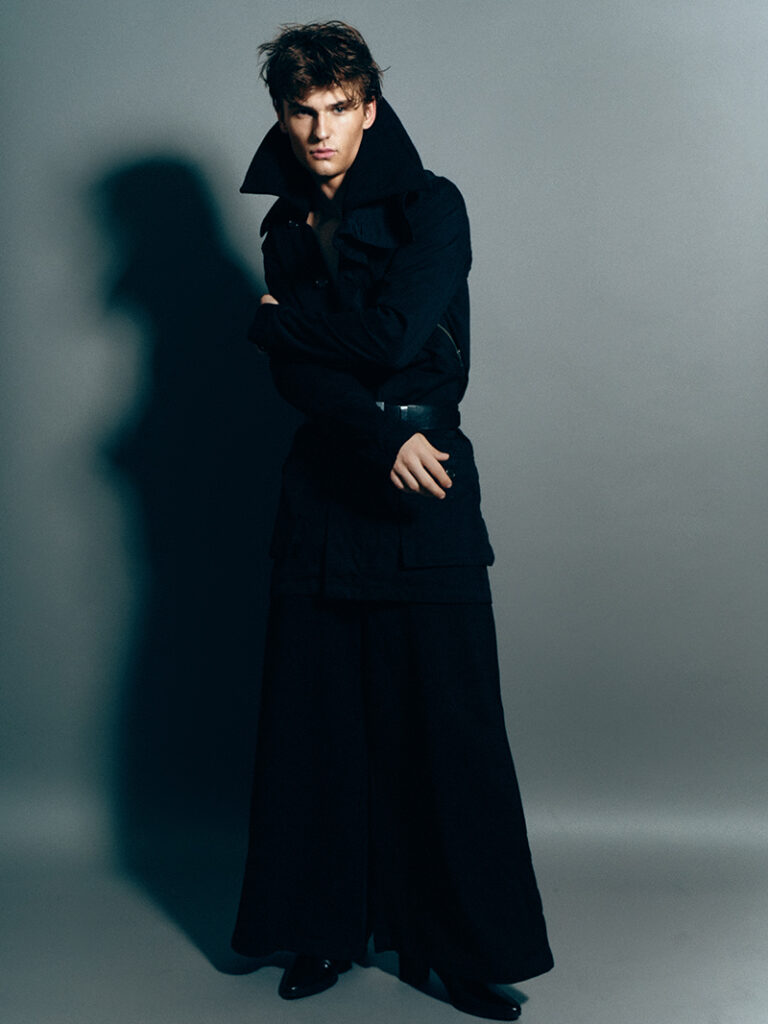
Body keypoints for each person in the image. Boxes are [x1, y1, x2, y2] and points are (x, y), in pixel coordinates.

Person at [230, 21, 554, 1021]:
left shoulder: (433, 206)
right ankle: (326, 929)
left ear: (369, 109)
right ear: (283, 115)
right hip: (336, 478)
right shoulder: (285, 225)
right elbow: (300, 381)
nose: (320, 131)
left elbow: (389, 334)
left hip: (427, 483)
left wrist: (275, 321)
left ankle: (458, 948)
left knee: (450, 726)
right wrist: (375, 432)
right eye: (302, 111)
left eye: (339, 108)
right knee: (317, 720)